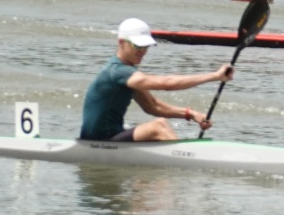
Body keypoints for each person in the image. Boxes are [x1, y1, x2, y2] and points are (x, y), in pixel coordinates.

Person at [79, 18, 234, 143]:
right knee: (158, 126)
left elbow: (153, 106)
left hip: (112, 137)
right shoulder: (118, 71)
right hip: (97, 141)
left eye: (146, 46)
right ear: (121, 42)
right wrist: (214, 76)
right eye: (138, 46)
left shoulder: (128, 74)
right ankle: (187, 160)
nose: (143, 51)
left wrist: (191, 114)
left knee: (158, 128)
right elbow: (167, 83)